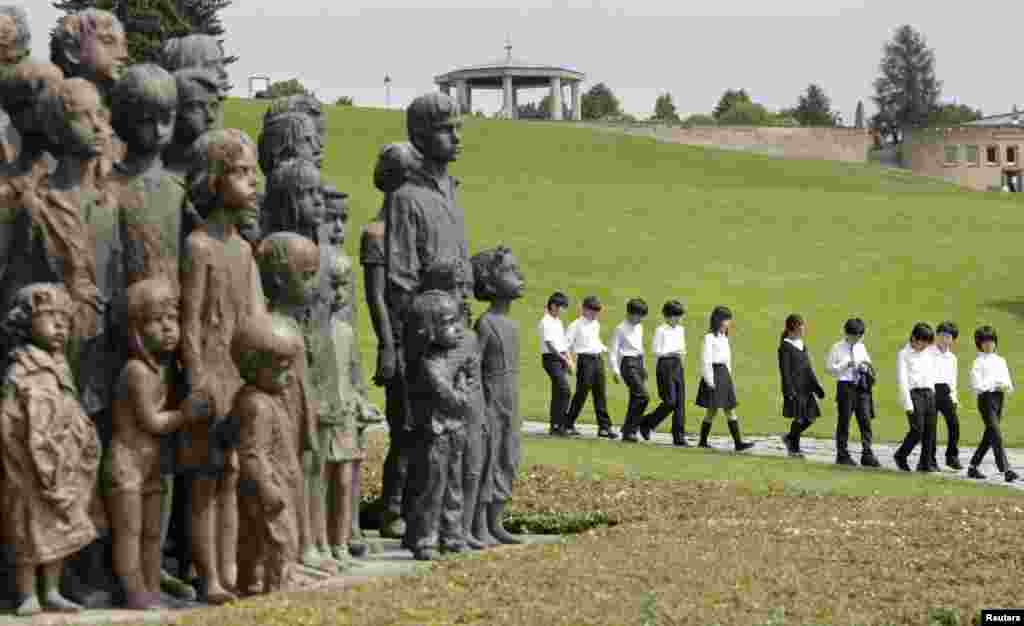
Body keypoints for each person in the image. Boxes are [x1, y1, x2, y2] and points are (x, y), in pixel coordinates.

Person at [0, 284, 100, 616]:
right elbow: (12, 418)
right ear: (26, 323)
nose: (60, 327)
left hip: (61, 459)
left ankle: (53, 589)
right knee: (28, 526)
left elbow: (68, 405)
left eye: (65, 321)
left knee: (57, 524)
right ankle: (27, 592)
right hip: (27, 463)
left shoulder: (59, 366)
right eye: (50, 318)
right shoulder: (22, 368)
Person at [231, 313, 305, 595]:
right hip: (269, 486)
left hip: (273, 482)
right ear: (253, 366)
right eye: (281, 368)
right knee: (280, 540)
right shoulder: (258, 405)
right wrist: (267, 488)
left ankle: (251, 583)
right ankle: (278, 585)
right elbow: (252, 453)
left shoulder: (258, 397)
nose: (289, 375)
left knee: (254, 539)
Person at [402, 290, 474, 560]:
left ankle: (452, 535)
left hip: (453, 431)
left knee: (454, 486)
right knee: (433, 487)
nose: (458, 329)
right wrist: (462, 385)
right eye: (448, 323)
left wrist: (462, 382)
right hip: (436, 433)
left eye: (457, 321)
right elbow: (452, 399)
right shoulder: (430, 364)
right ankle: (426, 538)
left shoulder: (449, 360)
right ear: (429, 330)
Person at [472, 246, 525, 545]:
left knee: (508, 455)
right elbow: (473, 364)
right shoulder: (486, 323)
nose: (519, 276)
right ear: (490, 284)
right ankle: (479, 523)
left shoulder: (513, 325)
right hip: (491, 397)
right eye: (510, 271)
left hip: (511, 399)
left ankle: (497, 520)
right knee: (488, 458)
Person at [695, 306, 753, 451]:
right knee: (712, 411)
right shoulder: (709, 338)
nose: (728, 323)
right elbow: (706, 360)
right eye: (726, 320)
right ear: (718, 321)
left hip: (724, 375)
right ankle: (707, 441)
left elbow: (727, 359)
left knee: (727, 409)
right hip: (714, 374)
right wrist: (709, 380)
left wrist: (728, 376)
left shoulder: (724, 338)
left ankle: (737, 443)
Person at [824, 318, 879, 467]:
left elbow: (868, 363)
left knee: (865, 421)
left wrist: (865, 367)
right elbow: (829, 368)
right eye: (855, 336)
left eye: (860, 336)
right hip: (845, 387)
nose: (857, 339)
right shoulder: (837, 347)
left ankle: (867, 454)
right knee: (844, 422)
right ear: (847, 334)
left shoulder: (861, 347)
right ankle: (842, 454)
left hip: (861, 387)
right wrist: (845, 364)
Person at [966, 325, 1018, 482]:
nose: (989, 344)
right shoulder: (978, 362)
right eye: (985, 342)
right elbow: (976, 385)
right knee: (996, 434)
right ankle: (1006, 469)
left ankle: (973, 466)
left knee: (989, 435)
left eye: (991, 341)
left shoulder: (1001, 361)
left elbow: (1008, 383)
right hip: (986, 400)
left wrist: (1004, 386)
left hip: (999, 399)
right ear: (979, 344)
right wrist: (993, 383)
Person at [565, 296, 617, 439]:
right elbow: (566, 345)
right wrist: (569, 362)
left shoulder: (596, 324)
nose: (595, 314)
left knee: (600, 393)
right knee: (582, 393)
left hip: (597, 359)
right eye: (592, 311)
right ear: (584, 309)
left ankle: (604, 427)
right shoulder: (575, 325)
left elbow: (595, 340)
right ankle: (568, 423)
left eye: (597, 311)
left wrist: (604, 348)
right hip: (585, 361)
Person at [639, 299, 688, 445]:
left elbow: (683, 348)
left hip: (678, 365)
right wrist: (672, 352)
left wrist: (680, 360)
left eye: (680, 316)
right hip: (665, 365)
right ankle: (647, 423)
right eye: (676, 316)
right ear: (667, 316)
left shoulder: (681, 329)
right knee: (670, 401)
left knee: (680, 403)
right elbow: (656, 350)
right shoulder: (661, 330)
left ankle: (679, 436)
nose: (679, 319)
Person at [777, 314, 825, 459]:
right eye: (801, 325)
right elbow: (784, 372)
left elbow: (808, 369)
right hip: (795, 389)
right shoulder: (785, 347)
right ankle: (794, 449)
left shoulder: (802, 345)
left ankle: (790, 437)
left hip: (806, 388)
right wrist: (788, 391)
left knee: (810, 418)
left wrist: (817, 387)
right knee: (798, 418)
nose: (804, 328)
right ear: (793, 328)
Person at [894, 323, 938, 473]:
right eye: (923, 342)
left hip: (929, 393)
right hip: (914, 394)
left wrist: (932, 392)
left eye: (928, 343)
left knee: (930, 430)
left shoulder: (928, 352)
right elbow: (902, 379)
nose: (925, 345)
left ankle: (925, 463)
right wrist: (907, 403)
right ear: (914, 338)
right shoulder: (903, 354)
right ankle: (901, 455)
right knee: (917, 430)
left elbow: (931, 373)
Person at [613, 298, 650, 443]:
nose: (640, 319)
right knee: (643, 396)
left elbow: (640, 348)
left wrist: (644, 366)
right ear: (630, 313)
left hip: (638, 362)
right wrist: (615, 371)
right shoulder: (620, 328)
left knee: (635, 398)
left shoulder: (639, 327)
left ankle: (629, 432)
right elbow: (613, 351)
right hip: (627, 363)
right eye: (639, 315)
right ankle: (632, 428)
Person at [538, 291, 572, 436]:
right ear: (553, 306)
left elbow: (563, 343)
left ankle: (555, 426)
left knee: (558, 392)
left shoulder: (557, 321)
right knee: (565, 390)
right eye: (560, 307)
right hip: (551, 359)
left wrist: (569, 359)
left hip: (560, 358)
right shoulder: (545, 321)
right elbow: (550, 345)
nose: (562, 310)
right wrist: (564, 359)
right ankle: (560, 424)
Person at [931, 321, 962, 470]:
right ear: (937, 336)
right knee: (931, 428)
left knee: (954, 425)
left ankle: (952, 456)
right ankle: (931, 459)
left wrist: (954, 398)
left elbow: (953, 380)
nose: (944, 339)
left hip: (946, 392)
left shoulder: (952, 358)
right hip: (931, 391)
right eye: (942, 335)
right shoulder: (928, 353)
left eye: (948, 336)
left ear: (952, 339)